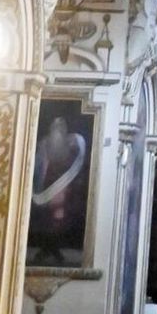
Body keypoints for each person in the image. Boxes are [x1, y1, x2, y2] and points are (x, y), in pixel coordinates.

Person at [28, 109, 90, 264]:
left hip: (65, 187)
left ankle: (54, 248)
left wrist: (69, 187)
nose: (58, 127)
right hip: (46, 187)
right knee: (45, 219)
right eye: (55, 124)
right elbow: (38, 167)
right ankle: (47, 248)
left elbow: (77, 165)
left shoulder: (72, 143)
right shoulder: (43, 144)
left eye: (60, 124)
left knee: (60, 220)